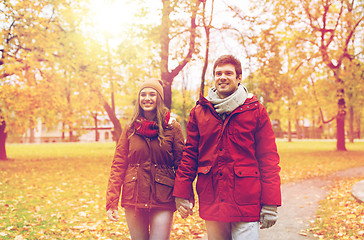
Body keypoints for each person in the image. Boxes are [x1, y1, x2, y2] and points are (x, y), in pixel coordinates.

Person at [173, 55, 281, 240]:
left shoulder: (255, 110)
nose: (223, 77)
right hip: (213, 199)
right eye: (218, 73)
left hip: (246, 199)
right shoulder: (200, 111)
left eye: (228, 73)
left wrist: (270, 204)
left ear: (239, 78)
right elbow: (190, 154)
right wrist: (182, 193)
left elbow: (268, 158)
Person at [106, 78, 185, 240]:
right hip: (133, 196)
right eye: (143, 94)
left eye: (152, 94)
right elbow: (118, 165)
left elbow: (182, 165)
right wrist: (111, 201)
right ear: (139, 99)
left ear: (159, 98)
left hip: (163, 196)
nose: (147, 98)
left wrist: (184, 197)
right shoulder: (130, 128)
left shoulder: (172, 127)